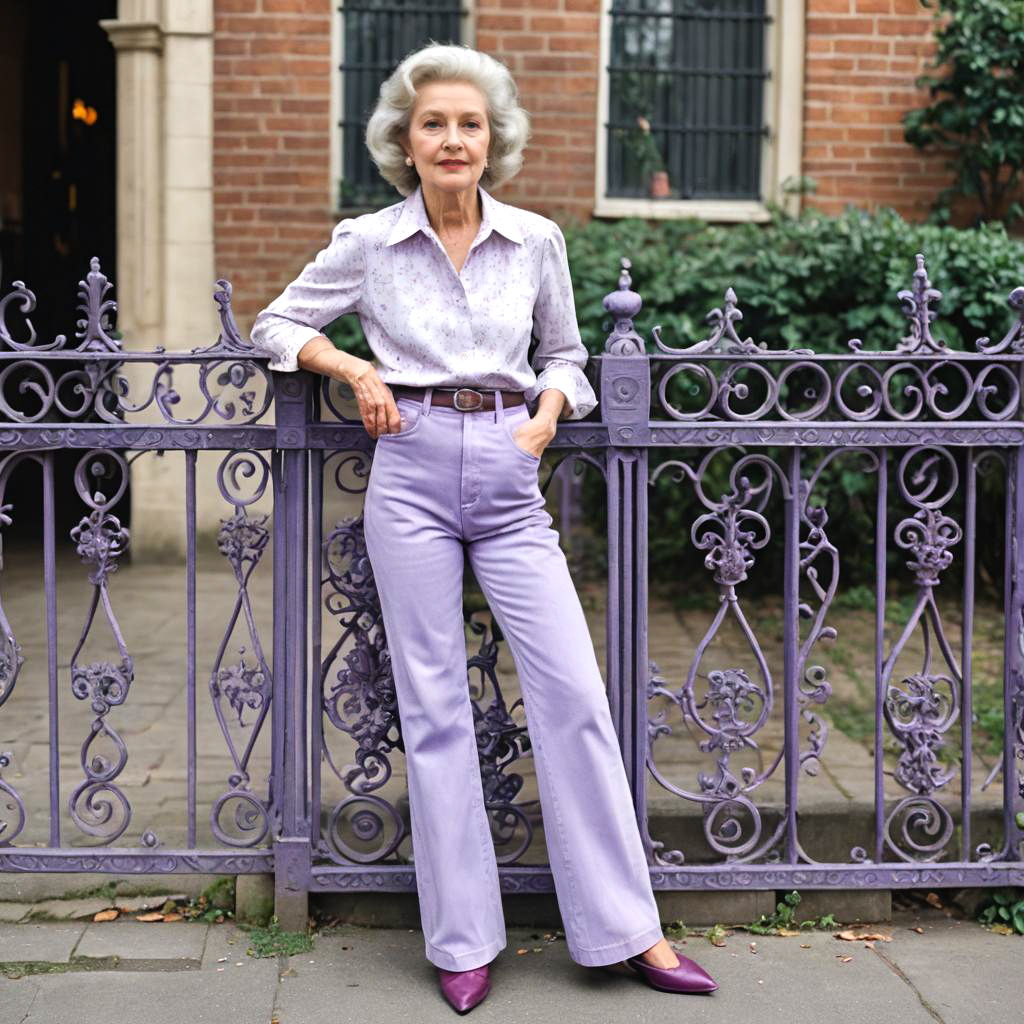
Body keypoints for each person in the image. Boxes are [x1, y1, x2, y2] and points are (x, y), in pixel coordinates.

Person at [250, 41, 718, 1015]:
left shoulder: (536, 240)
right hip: (410, 468)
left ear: (492, 137)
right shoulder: (369, 241)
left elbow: (569, 356)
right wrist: (354, 371)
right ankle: (462, 940)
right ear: (404, 142)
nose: (453, 138)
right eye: (434, 124)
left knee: (573, 695)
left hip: (510, 476)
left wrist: (548, 413)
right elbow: (274, 324)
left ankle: (629, 930)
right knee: (433, 708)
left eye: (469, 123)